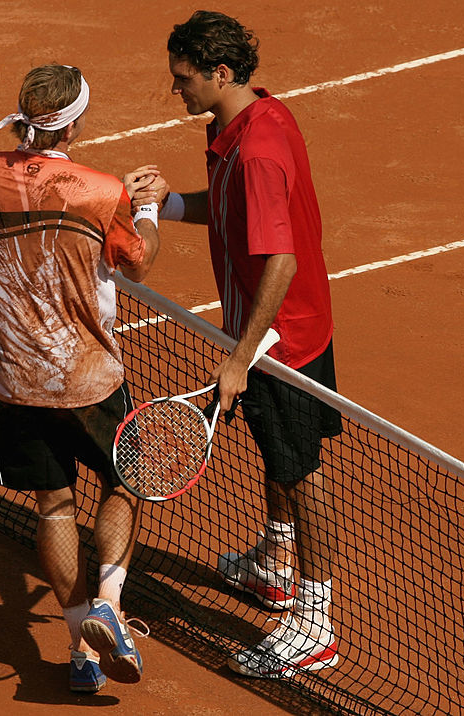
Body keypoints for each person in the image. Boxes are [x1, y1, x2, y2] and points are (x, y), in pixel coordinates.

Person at [129, 11, 342, 679]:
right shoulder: (239, 126)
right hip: (270, 332)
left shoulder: (257, 152)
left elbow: (278, 262)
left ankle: (315, 619)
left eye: (184, 79)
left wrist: (241, 356)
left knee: (298, 475)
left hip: (284, 343)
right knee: (279, 460)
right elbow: (226, 210)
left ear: (220, 73)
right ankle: (272, 565)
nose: (176, 90)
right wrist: (167, 203)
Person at [0, 64, 161, 693]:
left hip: (9, 373)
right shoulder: (104, 191)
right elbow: (137, 267)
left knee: (54, 507)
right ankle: (108, 601)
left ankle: (81, 650)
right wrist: (148, 207)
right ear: (76, 121)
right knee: (127, 485)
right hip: (84, 377)